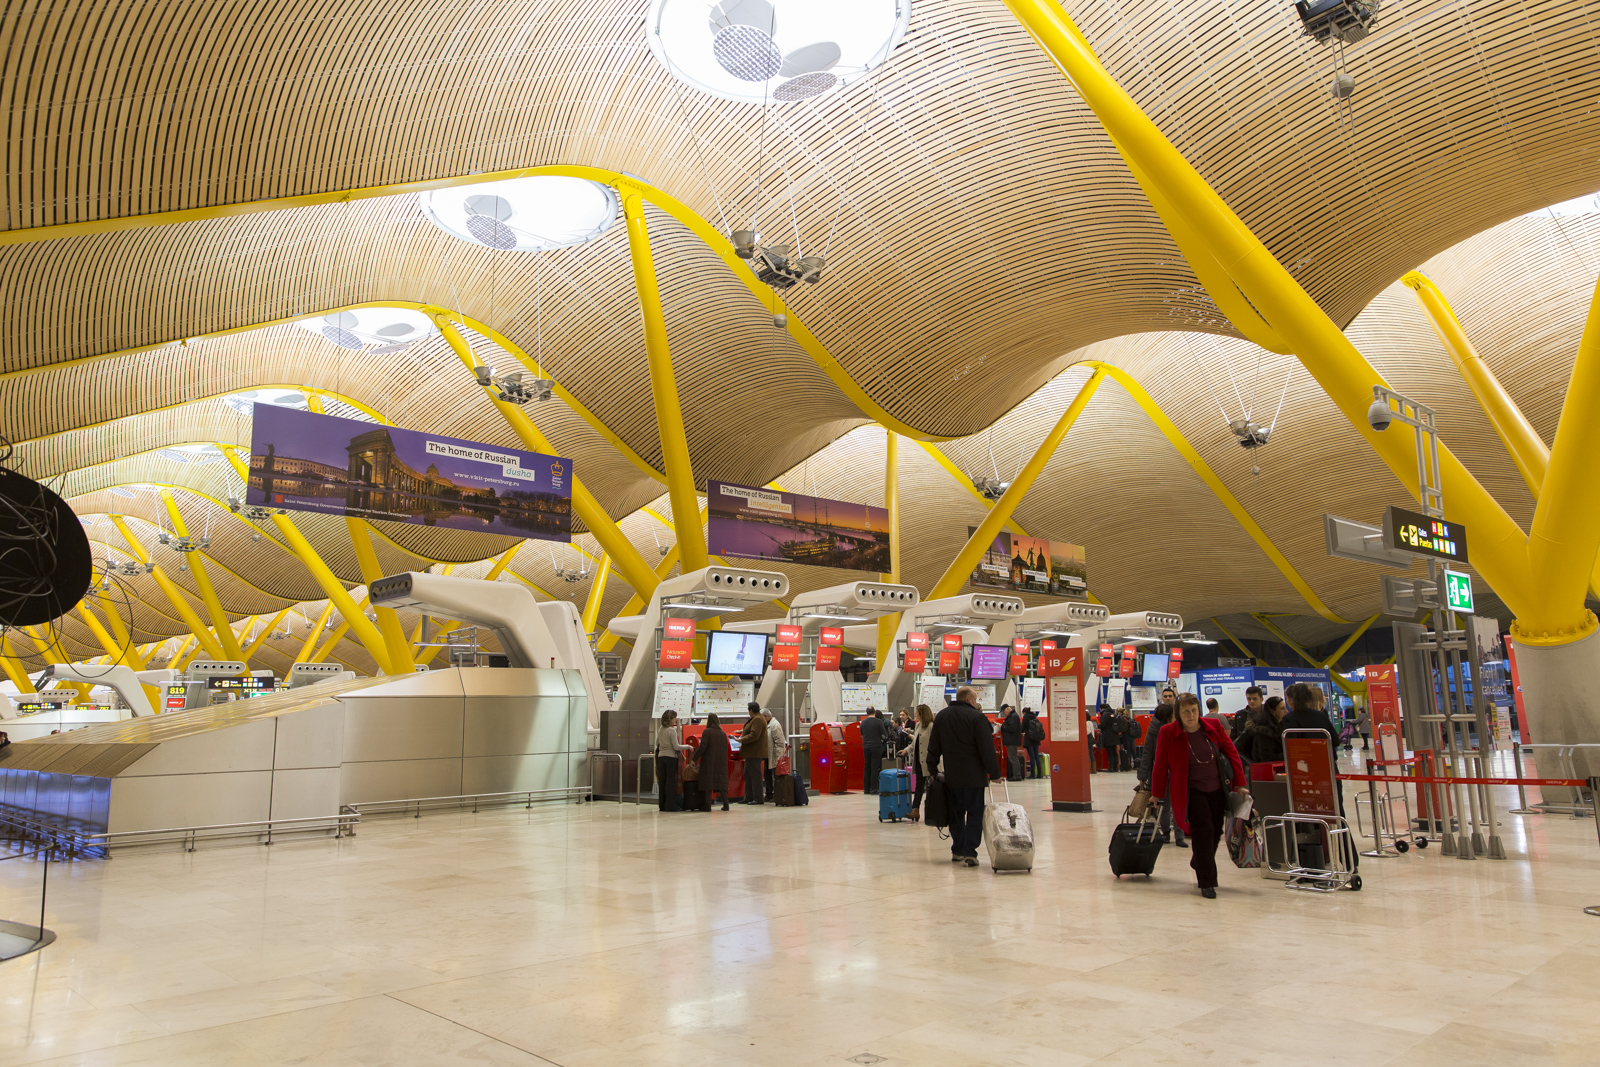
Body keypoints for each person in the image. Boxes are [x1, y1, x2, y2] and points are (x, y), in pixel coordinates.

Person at [1151, 693, 1249, 898]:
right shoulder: (1168, 732)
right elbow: (1160, 764)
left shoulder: (1213, 727)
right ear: (1178, 713)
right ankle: (1207, 881)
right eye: (1186, 711)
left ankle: (1199, 861)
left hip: (1217, 789)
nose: (1191, 715)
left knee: (1215, 832)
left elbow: (1232, 753)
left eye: (1194, 710)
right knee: (1203, 832)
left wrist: (1240, 783)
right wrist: (1156, 793)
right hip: (1191, 792)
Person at [926, 686, 1001, 867]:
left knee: (956, 813)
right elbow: (986, 749)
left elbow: (934, 745)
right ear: (968, 700)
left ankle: (958, 849)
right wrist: (995, 773)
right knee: (975, 814)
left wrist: (932, 770)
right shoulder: (977, 718)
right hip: (974, 777)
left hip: (952, 776)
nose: (976, 703)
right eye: (975, 699)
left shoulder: (942, 716)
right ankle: (970, 852)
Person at [1137, 702, 1186, 847]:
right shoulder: (1154, 730)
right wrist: (1142, 775)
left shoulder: (1178, 728)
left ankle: (1179, 835)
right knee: (1163, 805)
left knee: (1178, 805)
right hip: (1161, 773)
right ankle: (1166, 832)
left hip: (1177, 772)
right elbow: (1147, 753)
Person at [901, 703, 936, 822]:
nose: (915, 714)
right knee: (919, 786)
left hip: (930, 762)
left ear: (922, 714)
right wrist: (906, 750)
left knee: (933, 787)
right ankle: (915, 810)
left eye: (917, 712)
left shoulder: (931, 726)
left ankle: (934, 810)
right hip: (919, 761)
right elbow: (914, 744)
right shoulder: (918, 725)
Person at [654, 710, 687, 812]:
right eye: (675, 717)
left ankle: (662, 805)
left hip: (661, 757)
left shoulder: (661, 729)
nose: (676, 719)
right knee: (670, 782)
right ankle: (671, 806)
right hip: (671, 758)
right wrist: (688, 746)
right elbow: (676, 747)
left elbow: (657, 743)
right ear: (671, 719)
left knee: (662, 781)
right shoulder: (672, 731)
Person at [1240, 695, 1287, 765]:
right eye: (1282, 708)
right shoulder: (1264, 732)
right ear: (1272, 712)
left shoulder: (1281, 726)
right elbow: (1267, 757)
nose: (1286, 711)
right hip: (1263, 768)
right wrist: (1288, 754)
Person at [699, 713, 731, 810]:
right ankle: (726, 804)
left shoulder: (707, 731)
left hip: (709, 761)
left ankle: (707, 806)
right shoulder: (723, 733)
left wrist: (694, 757)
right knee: (721, 784)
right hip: (721, 762)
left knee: (708, 784)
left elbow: (702, 747)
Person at [739, 703, 768, 805]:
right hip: (751, 752)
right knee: (748, 774)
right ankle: (749, 797)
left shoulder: (758, 719)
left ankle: (758, 798)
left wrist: (742, 740)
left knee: (755, 775)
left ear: (751, 710)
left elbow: (754, 734)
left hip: (755, 752)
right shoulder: (757, 718)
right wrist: (741, 732)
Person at [859, 706, 887, 793]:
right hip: (876, 746)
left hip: (866, 747)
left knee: (867, 767)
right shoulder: (879, 722)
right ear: (874, 712)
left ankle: (866, 789)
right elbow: (884, 735)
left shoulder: (863, 722)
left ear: (866, 713)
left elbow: (862, 733)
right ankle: (873, 788)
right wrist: (881, 739)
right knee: (874, 767)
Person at [762, 708, 787, 801]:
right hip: (768, 755)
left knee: (776, 776)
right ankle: (769, 794)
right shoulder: (768, 725)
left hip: (775, 755)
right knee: (767, 774)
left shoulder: (775, 725)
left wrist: (778, 757)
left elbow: (779, 742)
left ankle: (778, 795)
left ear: (765, 716)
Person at [1000, 705, 1023, 781]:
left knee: (1013, 758)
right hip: (1011, 740)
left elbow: (1013, 728)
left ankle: (1017, 775)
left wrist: (1002, 727)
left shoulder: (1013, 716)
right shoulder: (1012, 716)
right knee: (1013, 758)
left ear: (1007, 709)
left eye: (1004, 712)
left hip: (1012, 740)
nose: (1004, 714)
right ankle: (1016, 775)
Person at [1021, 706, 1045, 778]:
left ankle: (1032, 774)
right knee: (1036, 756)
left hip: (1029, 740)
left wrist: (1023, 732)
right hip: (1036, 739)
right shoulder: (1034, 717)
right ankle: (1039, 774)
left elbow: (1022, 729)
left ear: (1024, 712)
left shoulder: (1025, 718)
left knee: (1032, 757)